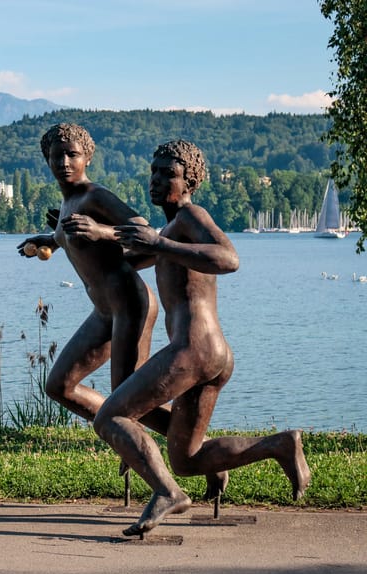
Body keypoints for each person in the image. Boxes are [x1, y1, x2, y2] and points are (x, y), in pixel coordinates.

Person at [94, 139, 311, 536]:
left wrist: (159, 244)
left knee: (110, 415)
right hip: (213, 354)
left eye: (168, 174)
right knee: (188, 458)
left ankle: (166, 493)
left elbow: (229, 258)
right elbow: (122, 262)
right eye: (154, 172)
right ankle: (278, 445)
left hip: (192, 350)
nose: (157, 181)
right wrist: (61, 239)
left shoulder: (190, 217)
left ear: (189, 180)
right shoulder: (170, 232)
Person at [18, 124, 226, 498]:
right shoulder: (68, 202)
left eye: (73, 154)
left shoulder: (95, 195)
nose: (64, 162)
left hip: (129, 305)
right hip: (105, 310)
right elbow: (101, 244)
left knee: (125, 404)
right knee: (59, 386)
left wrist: (101, 232)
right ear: (45, 159)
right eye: (57, 155)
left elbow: (141, 228)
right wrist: (52, 240)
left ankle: (173, 481)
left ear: (87, 158)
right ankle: (198, 446)